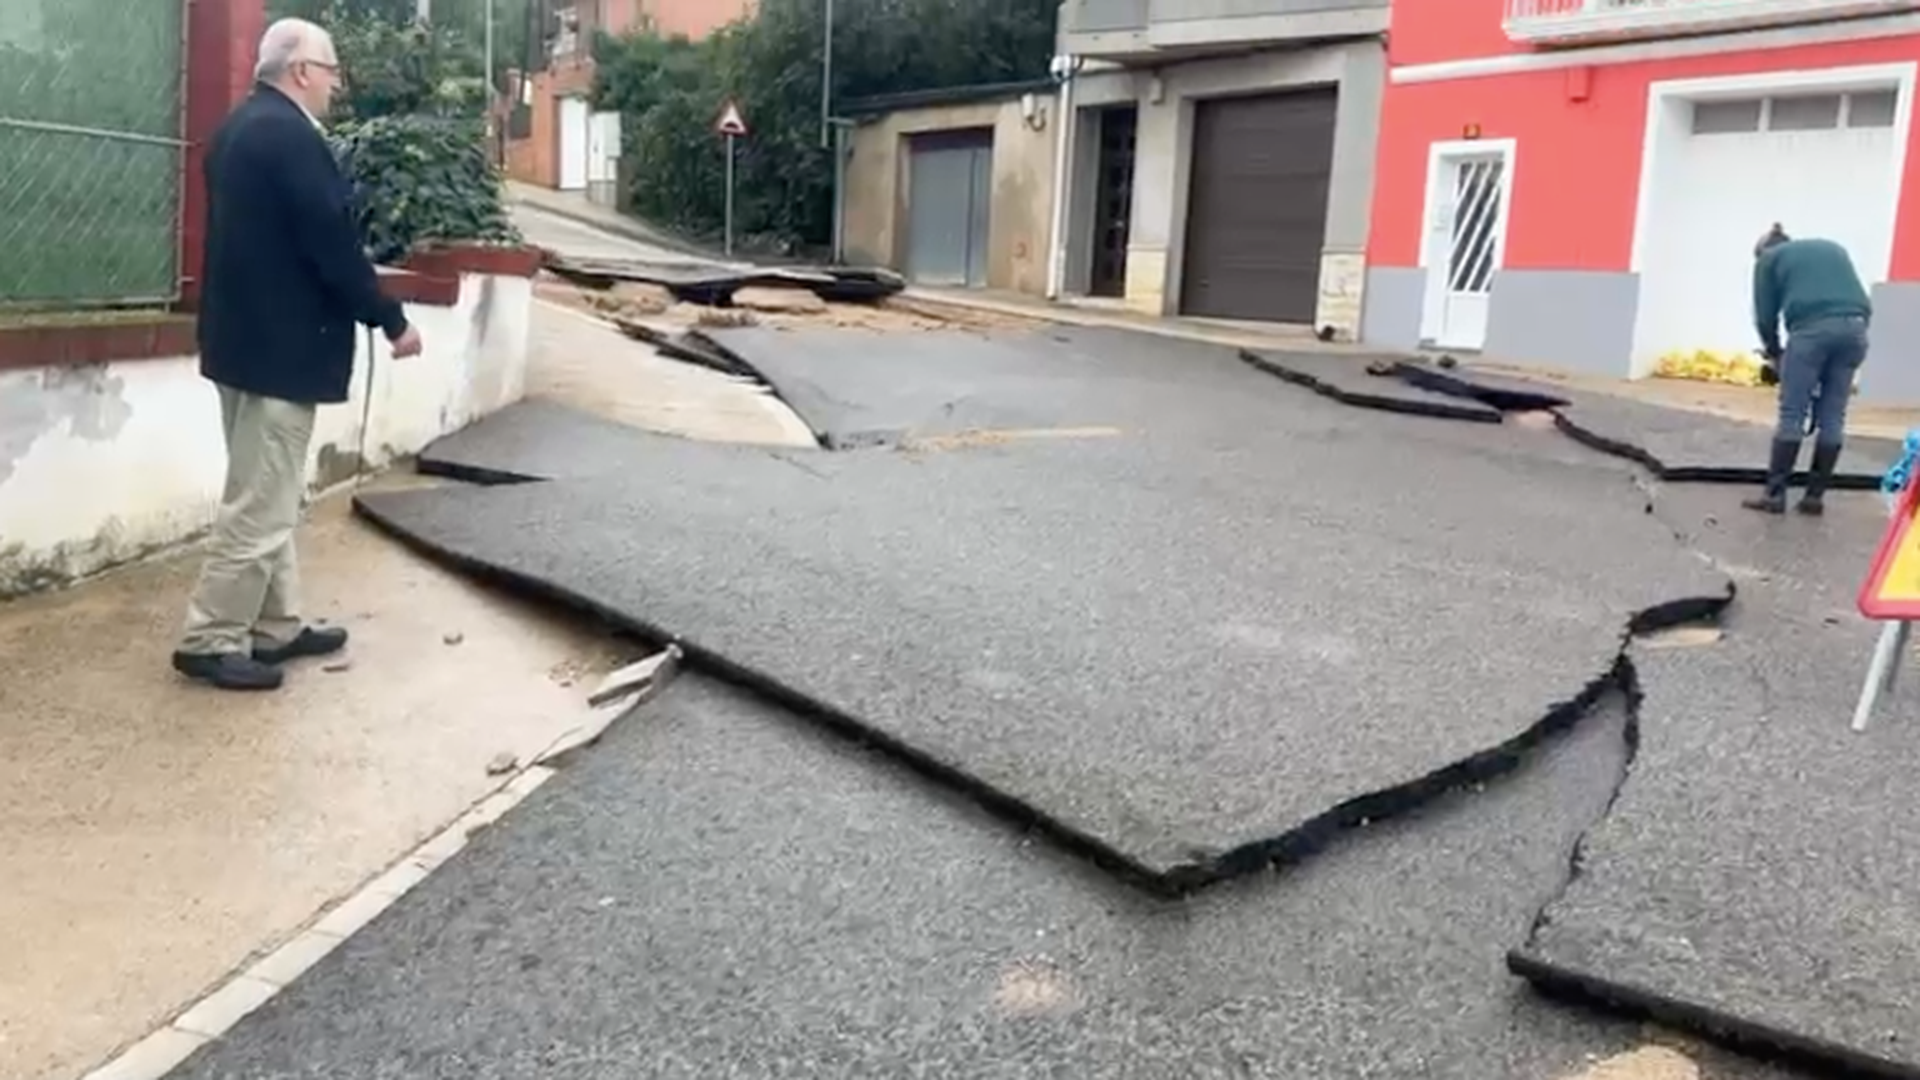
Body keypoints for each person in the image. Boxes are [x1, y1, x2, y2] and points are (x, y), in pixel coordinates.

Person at [172, 18, 424, 691]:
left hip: (239, 346)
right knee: (261, 504)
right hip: (279, 354)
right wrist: (391, 319)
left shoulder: (236, 132)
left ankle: (273, 627)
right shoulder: (291, 140)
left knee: (269, 493)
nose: (338, 86)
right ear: (302, 71)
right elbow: (331, 248)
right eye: (333, 71)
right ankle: (210, 637)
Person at [1744, 223, 1872, 516]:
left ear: (1763, 251)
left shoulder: (1769, 259)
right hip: (1856, 330)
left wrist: (1775, 353)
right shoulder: (1831, 247)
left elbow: (1765, 317)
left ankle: (1774, 497)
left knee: (1792, 413)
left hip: (1811, 332)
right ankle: (1814, 498)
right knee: (1833, 415)